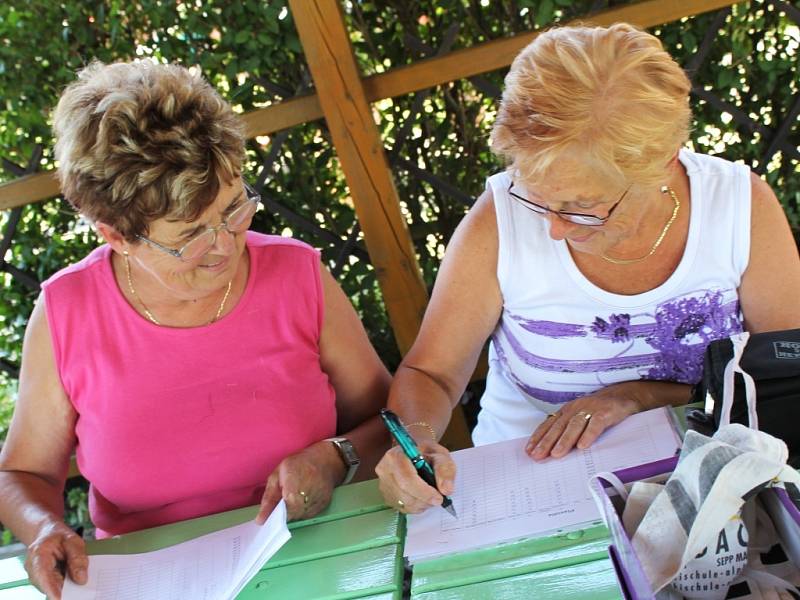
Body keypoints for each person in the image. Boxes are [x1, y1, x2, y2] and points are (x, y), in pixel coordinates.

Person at [0, 60, 390, 598]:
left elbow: (391, 419)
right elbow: (21, 475)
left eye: (234, 209)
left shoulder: (297, 273)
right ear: (115, 234)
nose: (226, 246)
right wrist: (44, 528)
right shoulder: (68, 312)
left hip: (324, 557)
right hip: (152, 581)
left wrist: (336, 455)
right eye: (190, 236)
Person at [375, 23, 800, 514]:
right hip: (530, 495)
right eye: (535, 196)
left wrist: (643, 396)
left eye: (581, 206)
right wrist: (416, 439)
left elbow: (787, 375)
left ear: (661, 163)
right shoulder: (498, 221)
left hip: (718, 490)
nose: (553, 230)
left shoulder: (737, 207)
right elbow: (430, 371)